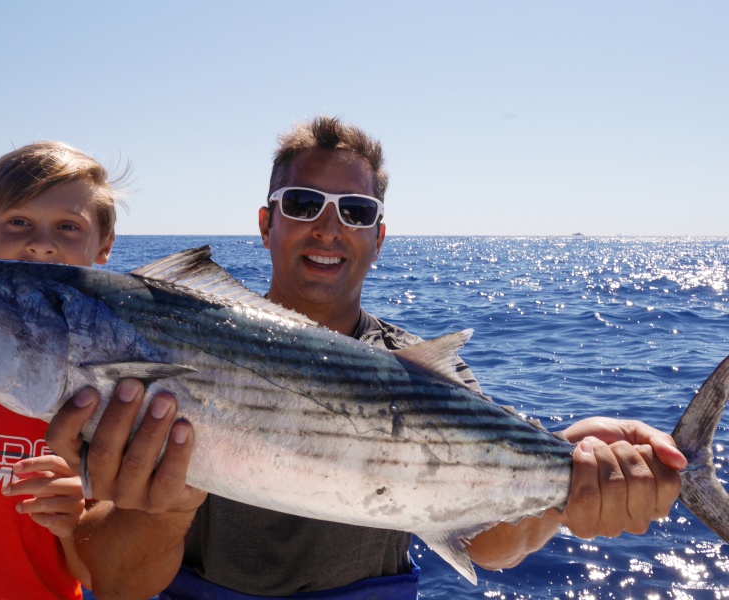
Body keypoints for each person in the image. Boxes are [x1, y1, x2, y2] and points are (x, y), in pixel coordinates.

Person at [45, 117, 685, 599]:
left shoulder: (424, 370)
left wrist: (568, 486)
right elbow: (113, 578)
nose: (328, 227)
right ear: (267, 224)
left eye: (355, 210)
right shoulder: (163, 339)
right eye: (302, 204)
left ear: (378, 237)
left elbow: (492, 542)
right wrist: (171, 503)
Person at [0, 141, 121, 599]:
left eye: (68, 226)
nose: (40, 243)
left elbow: (98, 578)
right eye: (18, 222)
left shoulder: (109, 397)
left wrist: (76, 523)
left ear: (105, 246)